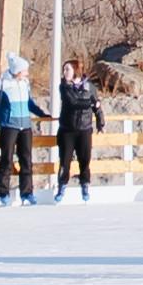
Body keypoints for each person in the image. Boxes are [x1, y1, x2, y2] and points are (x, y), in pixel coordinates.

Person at [0, 53, 39, 204]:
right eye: (24, 71)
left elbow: (30, 103)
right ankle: (3, 193)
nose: (27, 73)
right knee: (6, 159)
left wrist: (42, 113)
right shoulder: (2, 83)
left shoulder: (25, 83)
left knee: (26, 160)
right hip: (9, 126)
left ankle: (27, 193)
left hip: (26, 126)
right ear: (17, 71)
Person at [54, 58, 101, 200]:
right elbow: (73, 102)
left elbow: (98, 107)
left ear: (75, 70)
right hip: (67, 129)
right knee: (65, 160)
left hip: (84, 128)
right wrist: (92, 103)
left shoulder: (89, 87)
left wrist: (100, 122)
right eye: (64, 70)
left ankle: (85, 185)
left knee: (85, 159)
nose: (65, 72)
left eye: (67, 69)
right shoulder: (64, 86)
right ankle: (61, 186)